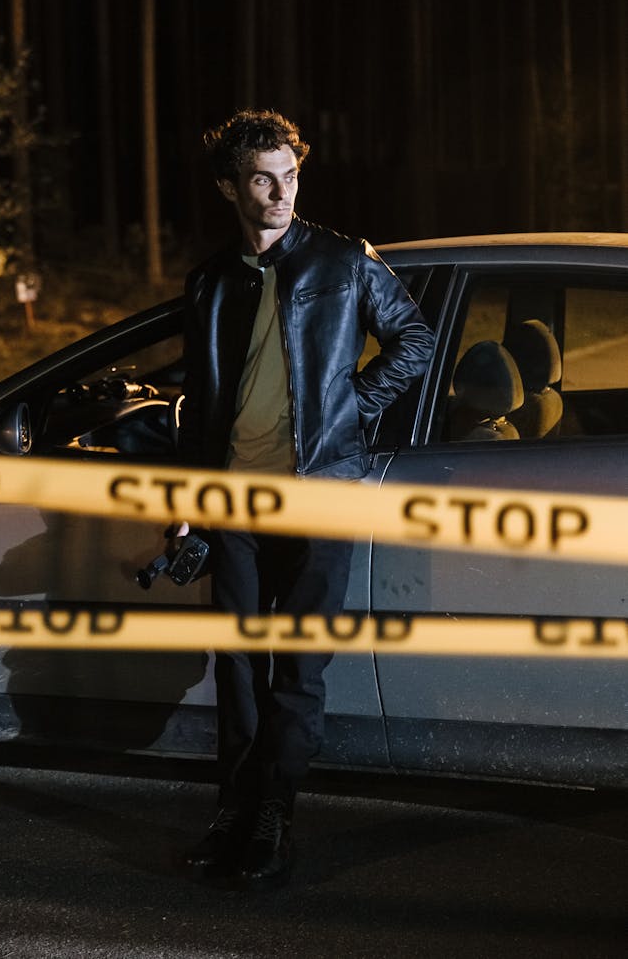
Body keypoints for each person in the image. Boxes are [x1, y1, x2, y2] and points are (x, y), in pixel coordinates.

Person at [176, 108, 434, 888]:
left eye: (289, 176)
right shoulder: (211, 280)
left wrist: (347, 409)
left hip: (322, 496)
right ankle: (233, 803)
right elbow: (200, 401)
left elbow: (413, 342)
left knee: (298, 672)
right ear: (230, 187)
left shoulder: (342, 262)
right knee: (236, 665)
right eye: (262, 178)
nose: (280, 192)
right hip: (236, 505)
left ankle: (271, 814)